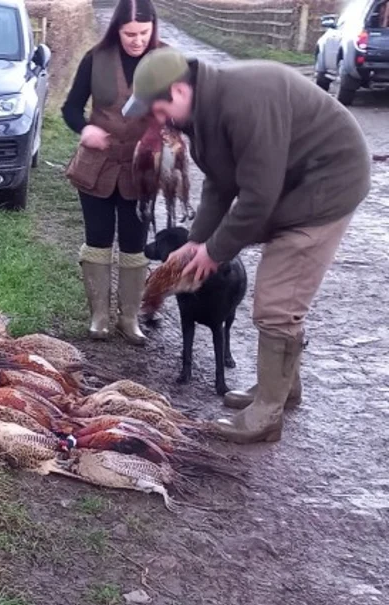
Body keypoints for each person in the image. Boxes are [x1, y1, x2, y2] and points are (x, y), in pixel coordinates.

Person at [121, 46, 371, 444]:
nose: (157, 120)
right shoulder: (201, 114)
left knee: (277, 301)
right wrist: (196, 240)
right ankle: (283, 389)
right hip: (295, 183)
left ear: (179, 91)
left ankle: (266, 416)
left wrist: (214, 252)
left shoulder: (244, 103)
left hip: (328, 186)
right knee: (279, 294)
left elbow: (257, 198)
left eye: (158, 109)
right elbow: (220, 184)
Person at [61, 0, 162, 345]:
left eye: (143, 33)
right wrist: (85, 129)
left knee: (135, 244)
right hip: (97, 166)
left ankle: (129, 318)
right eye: (129, 33)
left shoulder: (167, 61)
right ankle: (99, 317)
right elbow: (70, 109)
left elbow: (185, 111)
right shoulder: (95, 58)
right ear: (117, 29)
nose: (137, 40)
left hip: (141, 169)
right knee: (98, 239)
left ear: (153, 28)